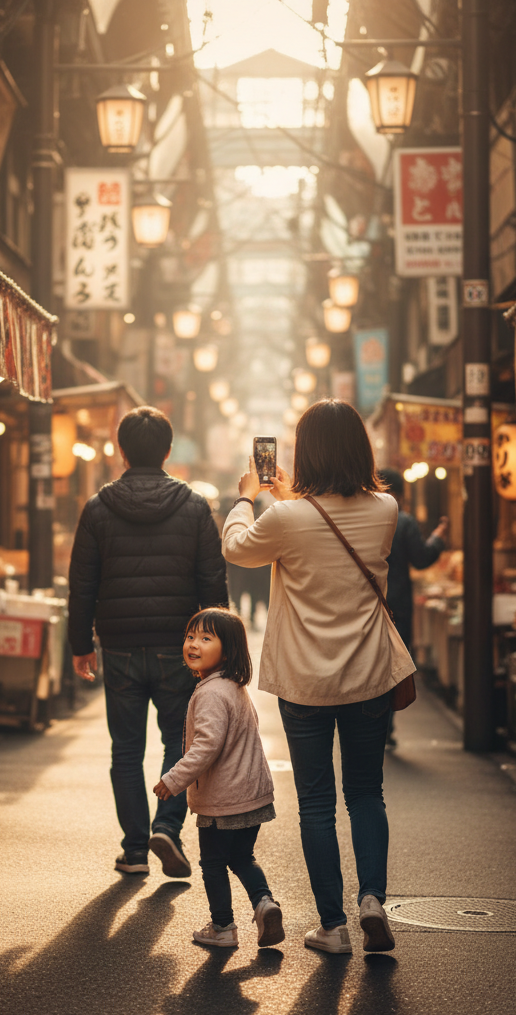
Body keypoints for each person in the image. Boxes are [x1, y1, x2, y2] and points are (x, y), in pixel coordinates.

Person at [222, 399, 414, 956]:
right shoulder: (386, 508)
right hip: (370, 675)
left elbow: (238, 547)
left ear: (305, 452)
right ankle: (372, 899)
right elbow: (327, 531)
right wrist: (287, 502)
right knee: (366, 792)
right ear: (360, 447)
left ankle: (332, 926)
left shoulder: (284, 519)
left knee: (316, 802)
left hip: (305, 682)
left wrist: (246, 496)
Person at [68, 406, 229, 878]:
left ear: (121, 451)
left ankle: (135, 848)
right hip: (179, 648)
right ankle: (167, 827)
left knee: (125, 749)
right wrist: (218, 647)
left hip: (117, 646)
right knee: (178, 741)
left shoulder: (98, 508)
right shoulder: (195, 507)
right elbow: (212, 583)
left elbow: (82, 585)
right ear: (168, 450)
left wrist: (81, 645)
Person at [153, 607, 283, 950]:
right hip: (252, 794)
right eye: (190, 636)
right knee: (242, 858)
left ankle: (223, 926)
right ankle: (264, 902)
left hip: (222, 799)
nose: (193, 644)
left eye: (205, 638)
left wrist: (174, 779)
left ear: (228, 650)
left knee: (212, 863)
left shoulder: (210, 693)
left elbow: (206, 746)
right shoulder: (232, 687)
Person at [379, 467, 448, 748]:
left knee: (367, 665)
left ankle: (367, 726)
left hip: (367, 605)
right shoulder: (403, 521)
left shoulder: (363, 519)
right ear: (401, 493)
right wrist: (439, 538)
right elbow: (421, 559)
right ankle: (386, 729)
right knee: (394, 669)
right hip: (399, 606)